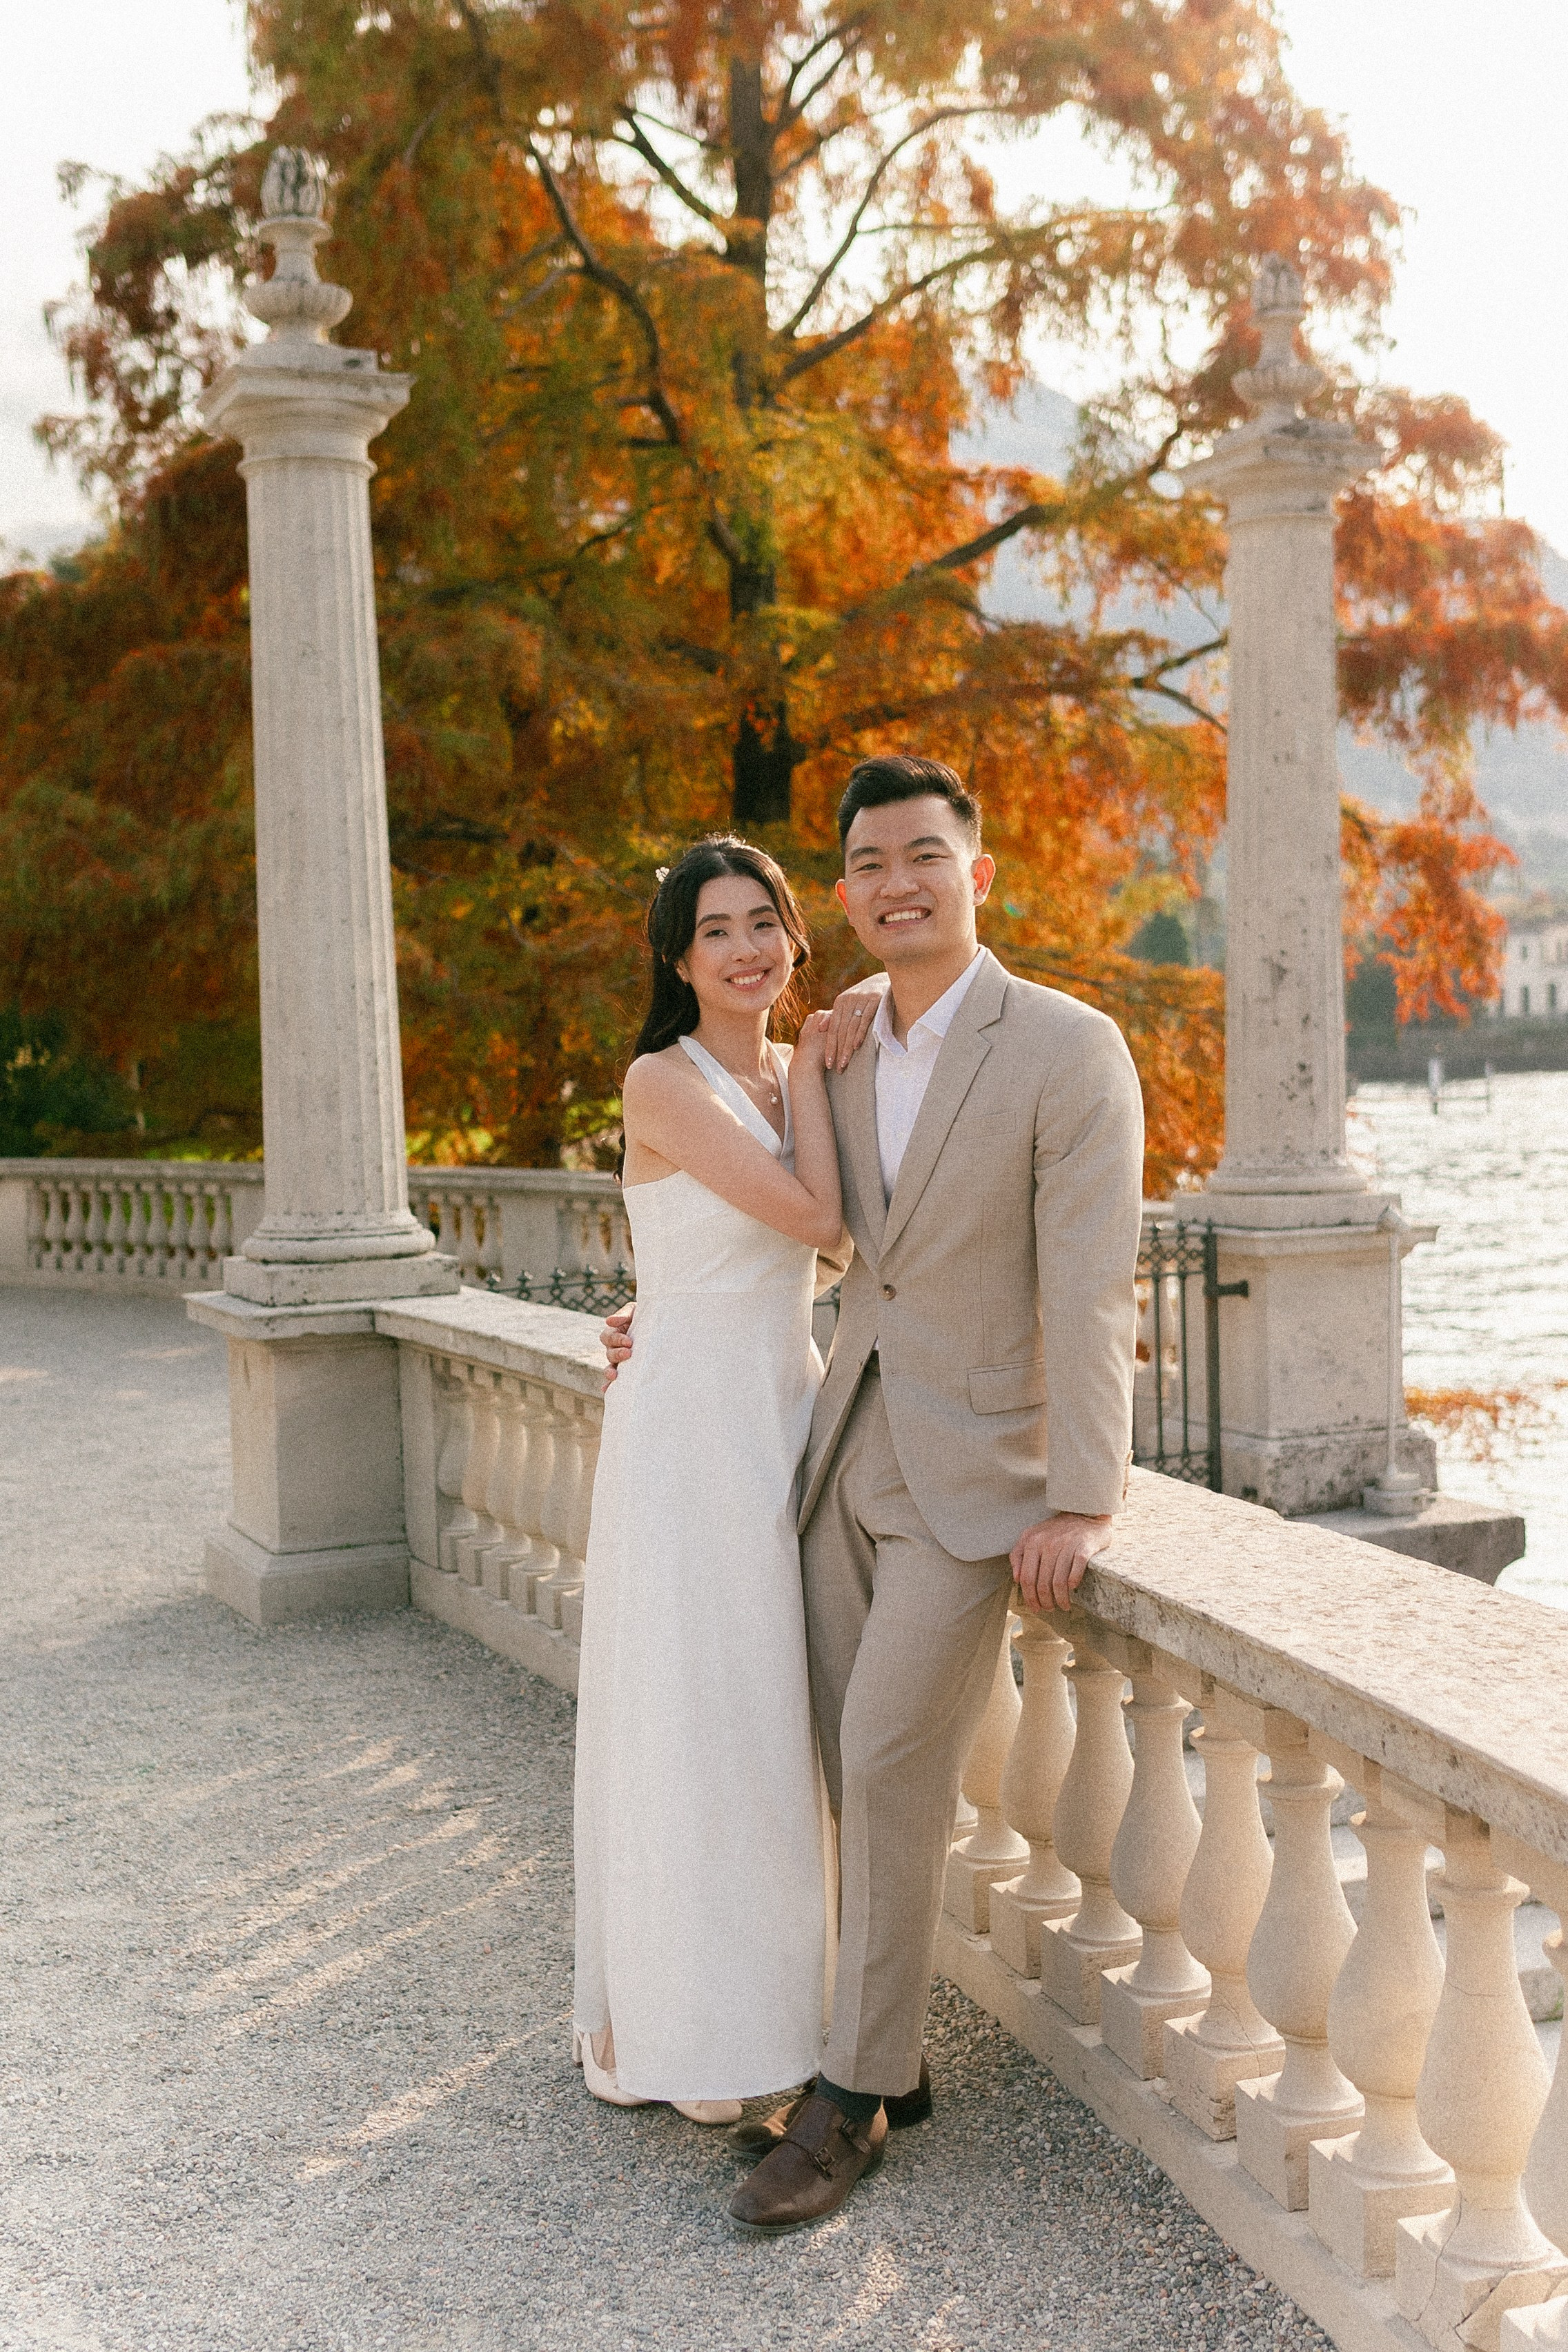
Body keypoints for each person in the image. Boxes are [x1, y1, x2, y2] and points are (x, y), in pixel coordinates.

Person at [605, 754, 1144, 2234]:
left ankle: (845, 2106)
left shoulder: (1065, 1046)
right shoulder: (834, 1046)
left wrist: (1081, 1500)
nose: (895, 881)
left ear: (979, 872)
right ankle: (888, 2058)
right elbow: (797, 1228)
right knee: (836, 1767)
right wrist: (659, 1313)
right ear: (842, 894)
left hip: (978, 1482)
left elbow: (1095, 1287)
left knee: (893, 1755)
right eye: (866, 864)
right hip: (831, 1448)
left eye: (923, 854)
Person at [572, 834, 879, 2125]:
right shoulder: (662, 1080)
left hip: (782, 1409)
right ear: (678, 956)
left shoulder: (801, 1069)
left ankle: (793, 2009)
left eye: (766, 923)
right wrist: (816, 1054)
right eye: (717, 931)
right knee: (702, 1725)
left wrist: (842, 1029)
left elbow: (827, 1251)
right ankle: (700, 2032)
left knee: (779, 1722)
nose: (747, 949)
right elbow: (820, 1220)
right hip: (692, 1428)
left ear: (797, 935)